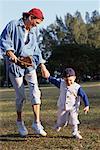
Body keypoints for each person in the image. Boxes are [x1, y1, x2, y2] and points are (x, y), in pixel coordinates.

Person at [0, 8, 50, 137]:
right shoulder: (13, 25)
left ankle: (37, 123)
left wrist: (43, 66)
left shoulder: (34, 31)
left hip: (30, 64)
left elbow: (36, 49)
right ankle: (20, 122)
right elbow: (4, 41)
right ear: (30, 17)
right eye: (36, 22)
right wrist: (10, 53)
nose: (36, 25)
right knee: (21, 97)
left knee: (35, 91)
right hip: (16, 66)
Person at [46, 68, 89, 139]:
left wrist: (87, 105)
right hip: (62, 106)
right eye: (66, 80)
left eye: (70, 80)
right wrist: (48, 77)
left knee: (74, 120)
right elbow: (53, 80)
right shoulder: (61, 83)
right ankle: (59, 125)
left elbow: (84, 96)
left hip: (73, 107)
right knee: (61, 121)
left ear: (74, 78)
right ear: (63, 79)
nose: (68, 82)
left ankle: (75, 132)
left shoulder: (77, 87)